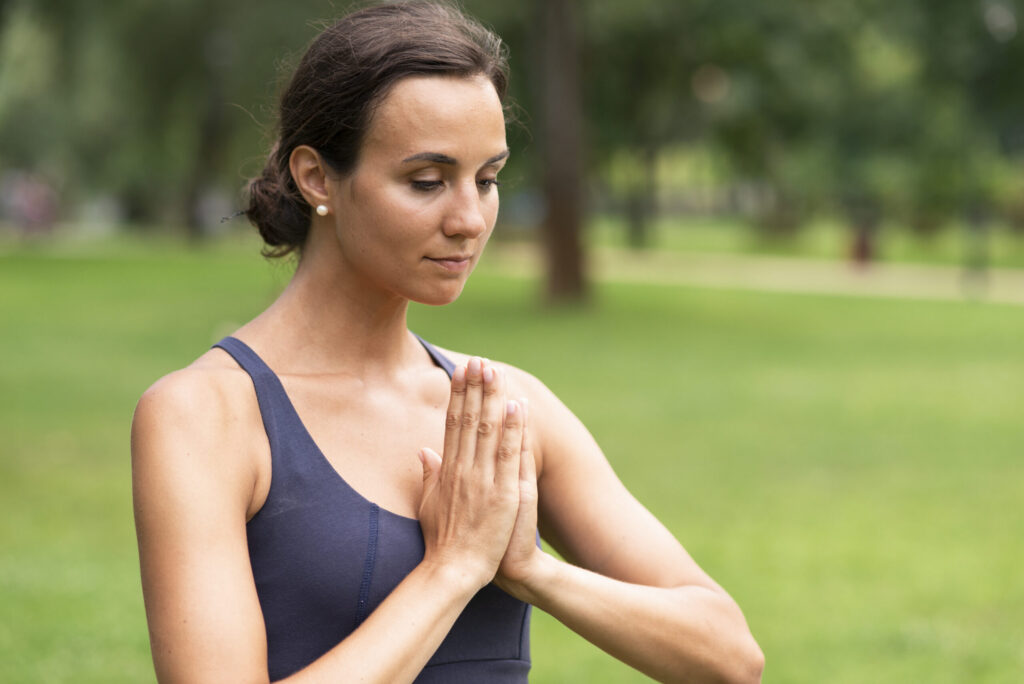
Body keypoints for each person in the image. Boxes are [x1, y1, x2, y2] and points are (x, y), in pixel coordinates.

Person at [130, 2, 764, 683]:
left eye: (487, 180)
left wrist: (532, 571)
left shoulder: (508, 409)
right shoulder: (205, 417)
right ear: (317, 178)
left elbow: (728, 657)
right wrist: (452, 570)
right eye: (426, 182)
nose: (469, 219)